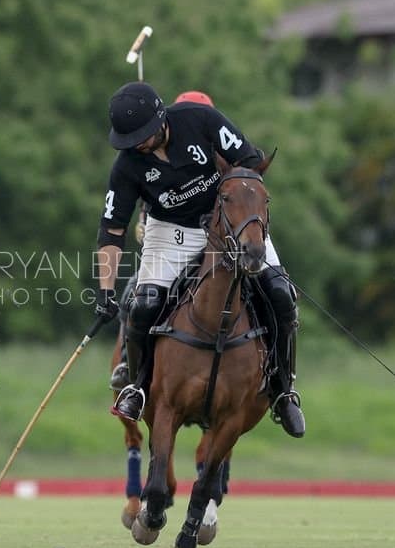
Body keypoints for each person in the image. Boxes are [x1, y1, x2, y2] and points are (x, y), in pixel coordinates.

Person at [91, 81, 305, 438]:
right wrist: (106, 290)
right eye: (131, 141)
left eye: (143, 135)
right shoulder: (128, 165)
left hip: (231, 224)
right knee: (143, 305)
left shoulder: (200, 120)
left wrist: (231, 210)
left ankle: (283, 390)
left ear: (162, 119)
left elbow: (250, 160)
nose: (138, 145)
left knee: (281, 294)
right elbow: (112, 229)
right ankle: (138, 388)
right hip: (171, 232)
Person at [108, 89, 215, 392]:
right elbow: (138, 212)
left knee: (274, 292)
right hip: (172, 241)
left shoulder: (215, 152)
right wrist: (141, 226)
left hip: (219, 240)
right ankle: (130, 364)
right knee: (134, 296)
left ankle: (279, 378)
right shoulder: (145, 161)